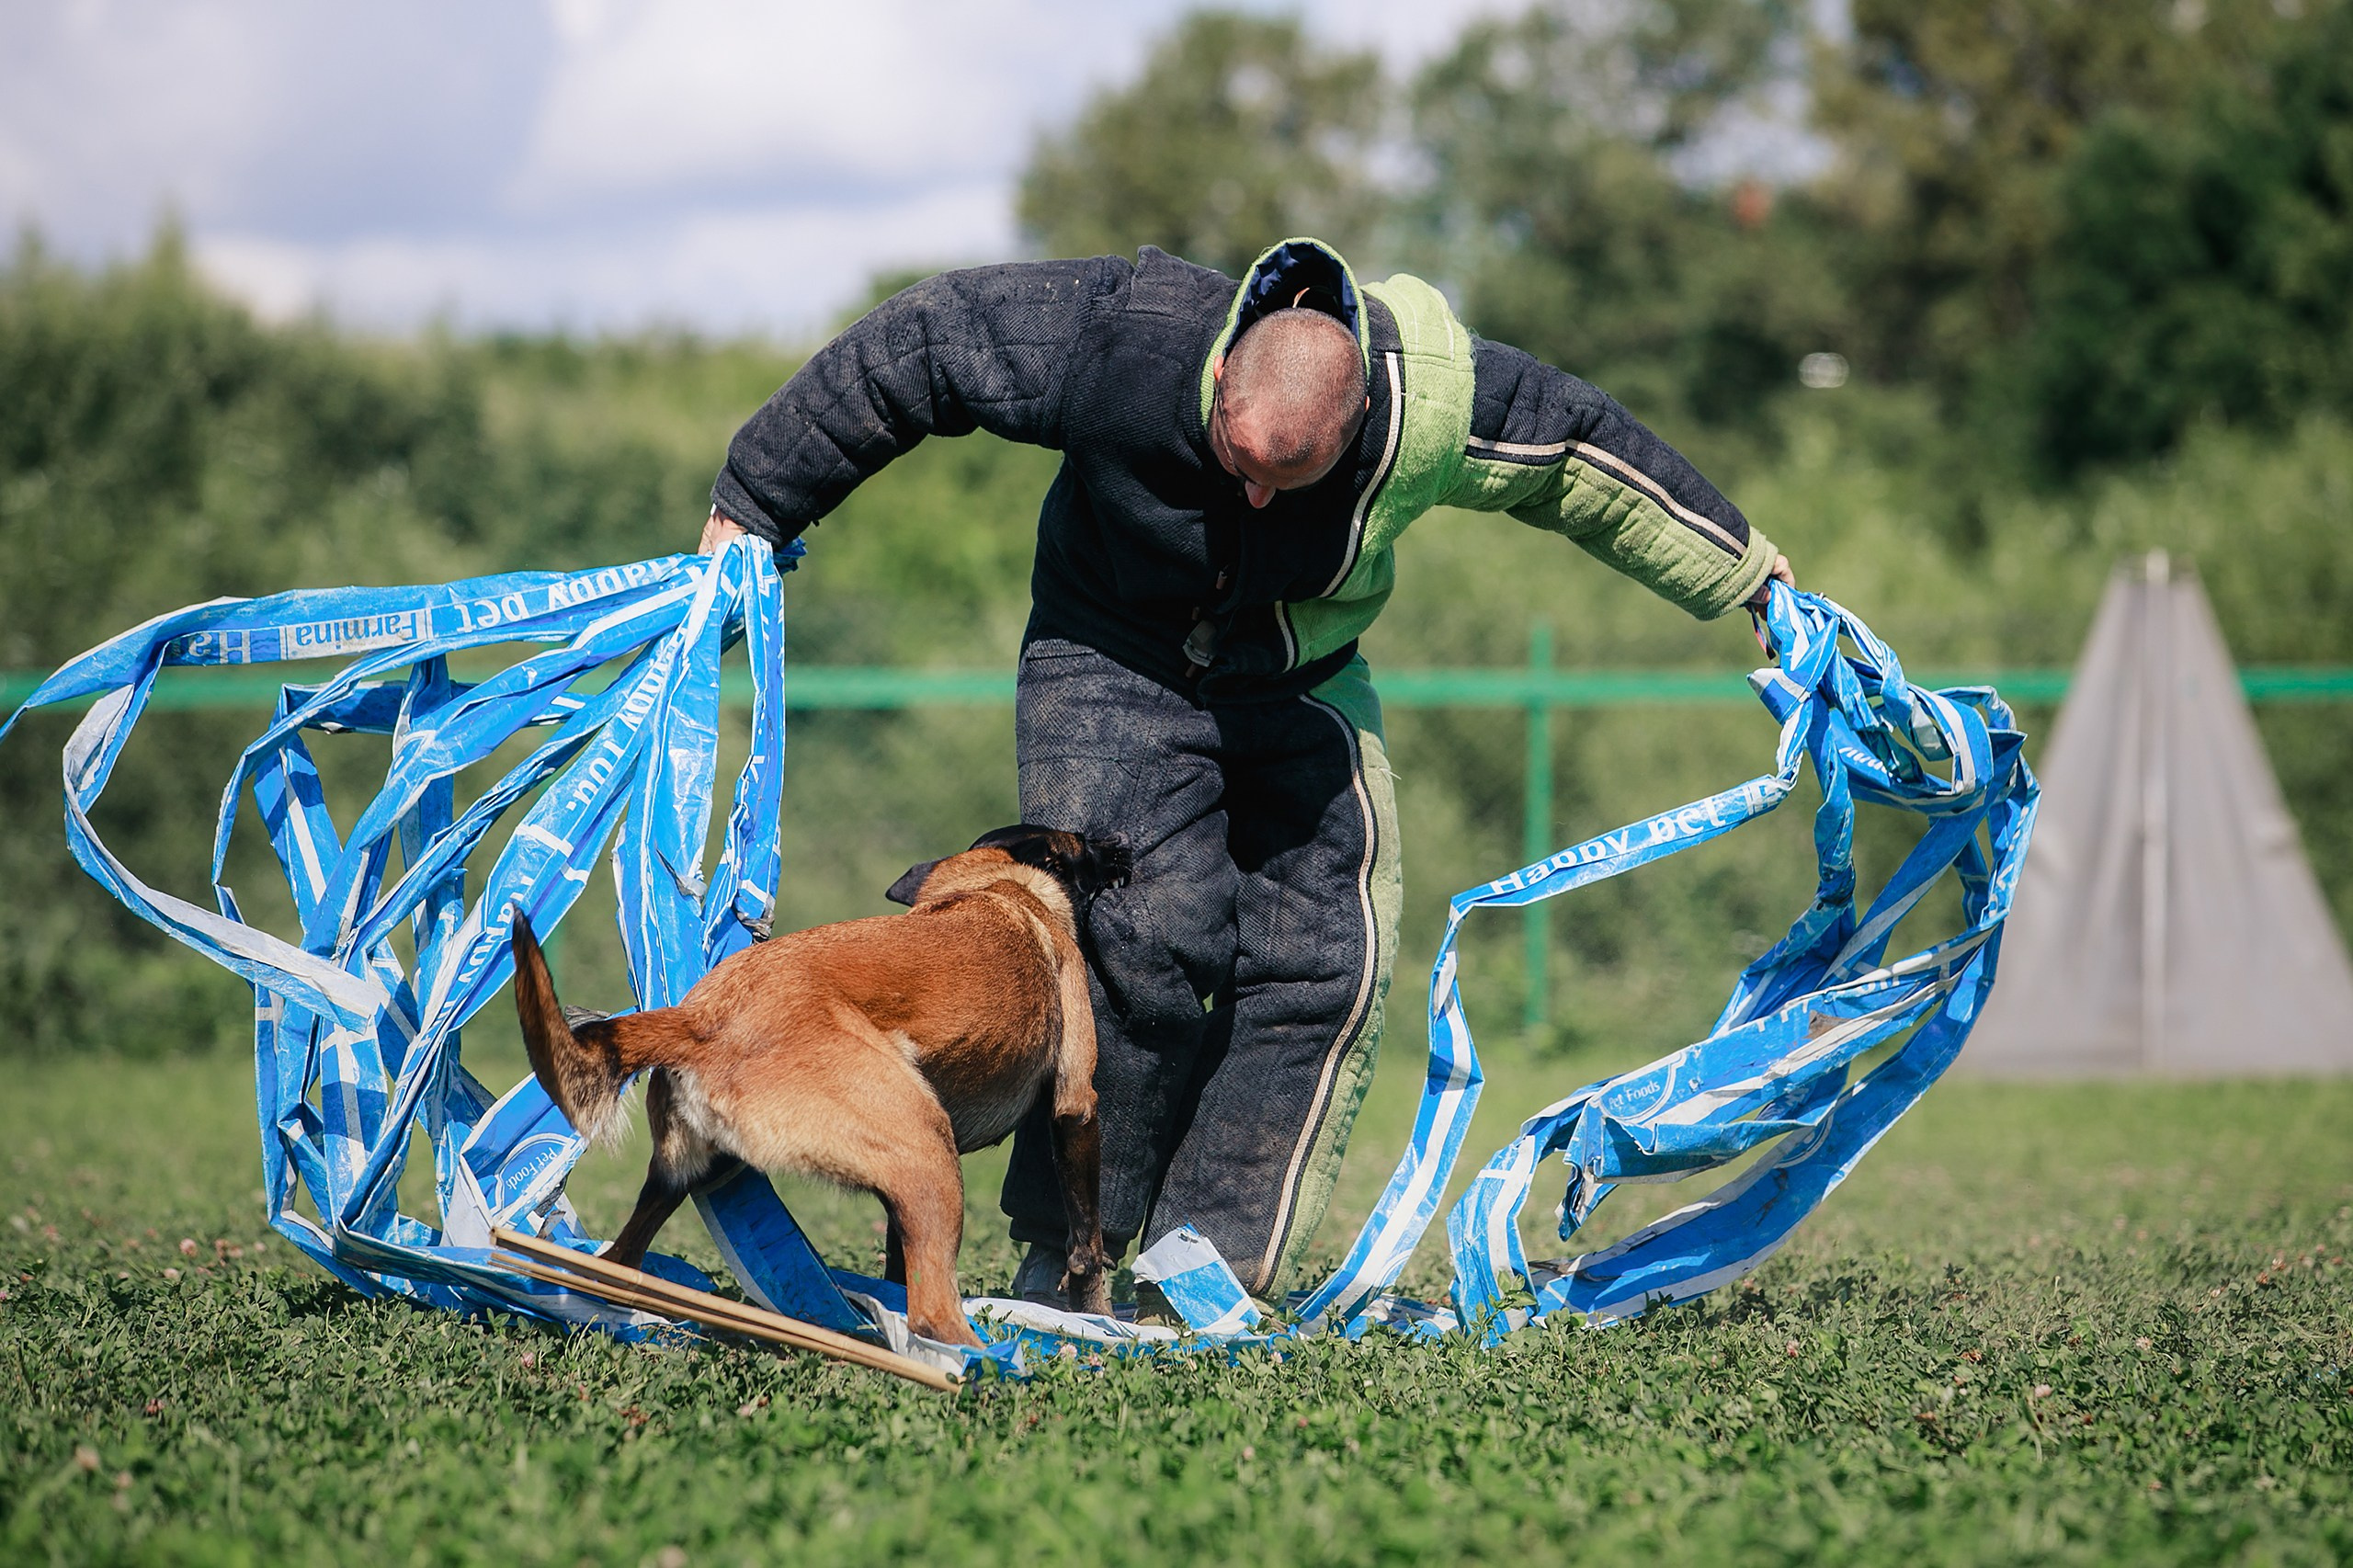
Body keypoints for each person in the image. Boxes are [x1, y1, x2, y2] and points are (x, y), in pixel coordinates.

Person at [698, 238, 1793, 1312]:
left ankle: (1202, 1273)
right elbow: (923, 341)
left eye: (1296, 477)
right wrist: (757, 498)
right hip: (1108, 650)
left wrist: (1748, 577)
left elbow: (1583, 457)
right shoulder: (1121, 339)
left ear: (1359, 415)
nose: (1260, 501)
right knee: (1138, 934)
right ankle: (1071, 1254)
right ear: (1220, 378)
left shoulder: (1433, 403)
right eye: (1241, 464)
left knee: (1328, 956)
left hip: (1297, 675)